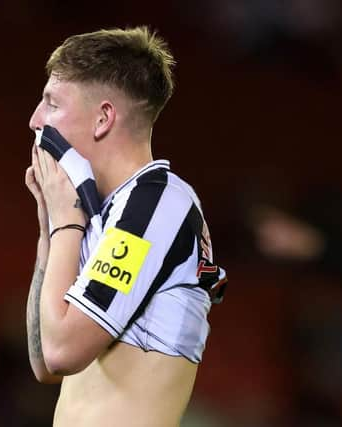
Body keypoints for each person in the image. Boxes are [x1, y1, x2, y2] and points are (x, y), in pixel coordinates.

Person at [24, 27, 227, 427]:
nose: (35, 121)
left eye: (52, 103)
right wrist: (50, 232)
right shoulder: (104, 214)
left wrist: (66, 224)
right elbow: (44, 363)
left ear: (103, 118)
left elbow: (63, 352)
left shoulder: (157, 205)